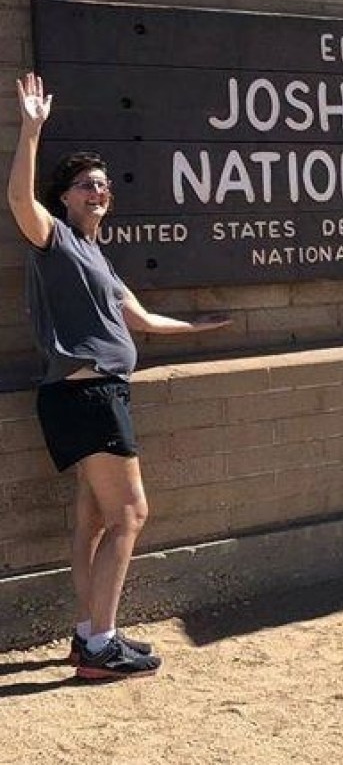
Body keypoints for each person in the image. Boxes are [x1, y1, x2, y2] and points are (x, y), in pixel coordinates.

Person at [6, 73, 231, 680]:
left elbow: (141, 319)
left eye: (103, 185)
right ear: (67, 197)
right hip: (89, 392)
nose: (98, 191)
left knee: (94, 519)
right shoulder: (52, 239)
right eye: (85, 185)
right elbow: (21, 204)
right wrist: (31, 129)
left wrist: (202, 326)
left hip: (88, 393)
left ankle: (88, 634)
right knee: (131, 512)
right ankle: (102, 646)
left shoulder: (98, 257)